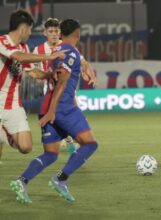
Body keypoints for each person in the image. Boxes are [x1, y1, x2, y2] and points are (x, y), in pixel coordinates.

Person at [10, 19, 98, 203]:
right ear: (77, 33)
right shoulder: (70, 52)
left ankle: (22, 181)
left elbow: (55, 76)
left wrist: (49, 109)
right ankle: (60, 179)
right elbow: (62, 82)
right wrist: (53, 111)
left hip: (48, 105)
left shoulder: (58, 53)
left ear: (60, 33)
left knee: (51, 154)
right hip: (63, 107)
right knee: (90, 144)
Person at [0, 10, 67, 157]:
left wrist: (51, 75)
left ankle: (2, 135)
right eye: (30, 29)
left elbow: (33, 73)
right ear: (23, 29)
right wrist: (50, 55)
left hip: (13, 104)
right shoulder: (2, 42)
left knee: (26, 147)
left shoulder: (24, 48)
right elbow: (19, 57)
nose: (30, 33)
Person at [32, 17, 97, 157]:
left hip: (67, 88)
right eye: (51, 31)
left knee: (73, 113)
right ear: (45, 33)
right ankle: (65, 141)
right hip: (50, 88)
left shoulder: (66, 45)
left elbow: (82, 61)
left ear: (60, 33)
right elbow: (35, 70)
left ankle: (74, 143)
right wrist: (42, 76)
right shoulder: (39, 49)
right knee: (56, 117)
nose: (54, 34)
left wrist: (86, 70)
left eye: (56, 31)